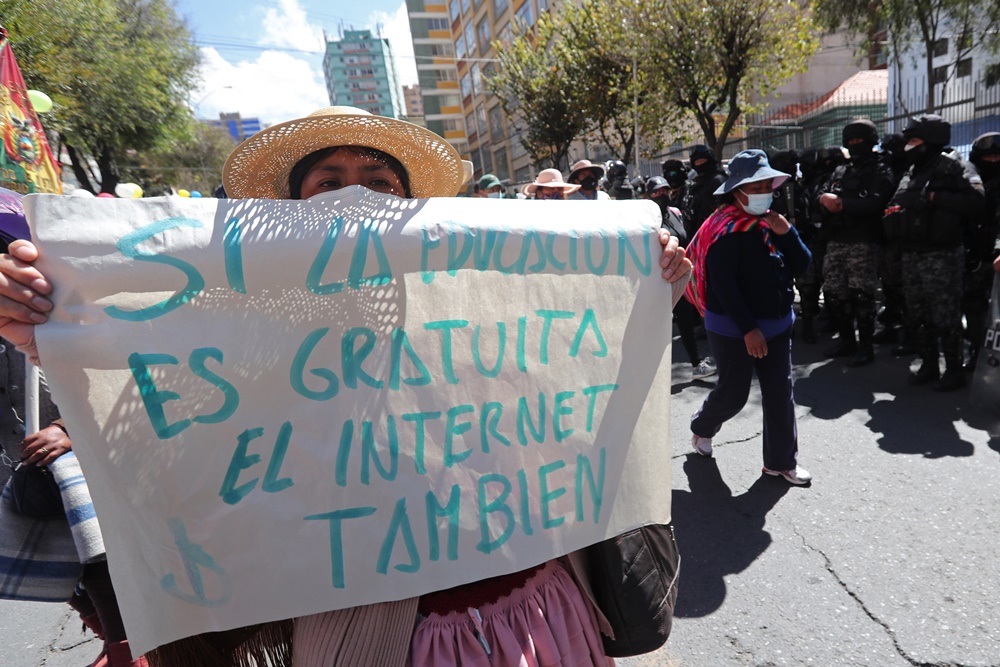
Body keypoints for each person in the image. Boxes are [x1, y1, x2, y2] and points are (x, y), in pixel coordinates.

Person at [0, 106, 692, 667]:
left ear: (405, 205)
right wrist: (48, 336)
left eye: (379, 182)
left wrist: (644, 279)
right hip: (365, 637)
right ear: (296, 209)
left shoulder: (488, 301)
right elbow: (168, 425)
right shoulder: (249, 327)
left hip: (540, 615)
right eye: (328, 182)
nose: (354, 197)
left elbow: (588, 387)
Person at [684, 149, 813, 485]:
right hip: (732, 328)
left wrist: (787, 234)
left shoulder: (772, 222)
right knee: (734, 393)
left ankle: (781, 462)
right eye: (755, 187)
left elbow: (802, 265)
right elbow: (724, 289)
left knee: (779, 394)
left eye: (767, 185)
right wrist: (749, 330)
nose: (763, 193)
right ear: (736, 190)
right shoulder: (724, 230)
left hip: (777, 324)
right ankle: (702, 427)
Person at [883, 114, 985, 391]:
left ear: (930, 141)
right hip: (911, 253)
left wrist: (933, 198)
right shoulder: (912, 170)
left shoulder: (955, 167)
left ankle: (953, 370)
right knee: (917, 315)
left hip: (942, 255)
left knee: (945, 316)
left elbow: (976, 201)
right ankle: (928, 364)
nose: (908, 146)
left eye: (914, 140)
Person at [815, 120, 896, 367]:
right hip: (837, 241)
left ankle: (866, 347)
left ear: (870, 141)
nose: (853, 145)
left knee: (862, 296)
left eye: (858, 141)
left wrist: (842, 205)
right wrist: (823, 199)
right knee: (835, 293)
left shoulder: (881, 170)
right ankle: (847, 340)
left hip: (864, 241)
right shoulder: (841, 171)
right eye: (850, 141)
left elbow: (877, 203)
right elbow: (820, 197)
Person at [646, 176, 717, 380]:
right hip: (655, 279)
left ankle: (697, 364)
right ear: (648, 195)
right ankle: (649, 371)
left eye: (665, 191)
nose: (662, 195)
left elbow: (689, 236)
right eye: (656, 192)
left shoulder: (676, 213)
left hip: (680, 275)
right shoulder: (645, 219)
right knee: (656, 325)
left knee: (685, 320)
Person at [964, 133, 1000, 370]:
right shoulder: (969, 183)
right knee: (973, 307)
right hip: (975, 256)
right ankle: (977, 352)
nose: (993, 161)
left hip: (997, 258)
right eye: (987, 157)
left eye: (997, 156)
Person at [681, 145, 726, 240]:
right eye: (697, 162)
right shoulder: (697, 182)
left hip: (714, 234)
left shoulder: (718, 180)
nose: (700, 164)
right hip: (698, 235)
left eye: (702, 160)